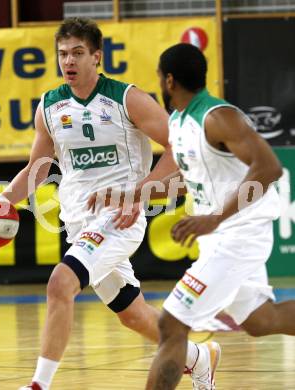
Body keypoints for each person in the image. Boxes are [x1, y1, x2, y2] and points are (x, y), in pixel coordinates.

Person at [0, 18, 218, 390]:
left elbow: (180, 146)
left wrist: (141, 193)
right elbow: (38, 167)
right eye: (63, 54)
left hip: (118, 218)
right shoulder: (49, 106)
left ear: (97, 56)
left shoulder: (126, 98)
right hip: (79, 223)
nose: (69, 61)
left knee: (60, 284)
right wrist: (0, 200)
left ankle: (37, 385)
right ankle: (199, 357)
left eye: (78, 53)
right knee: (133, 315)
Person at [117, 43, 294, 390]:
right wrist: (134, 193)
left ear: (168, 80)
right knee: (260, 319)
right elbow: (191, 179)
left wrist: (214, 218)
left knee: (171, 324)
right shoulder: (181, 122)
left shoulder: (218, 117)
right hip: (221, 237)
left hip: (239, 235)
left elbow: (269, 168)